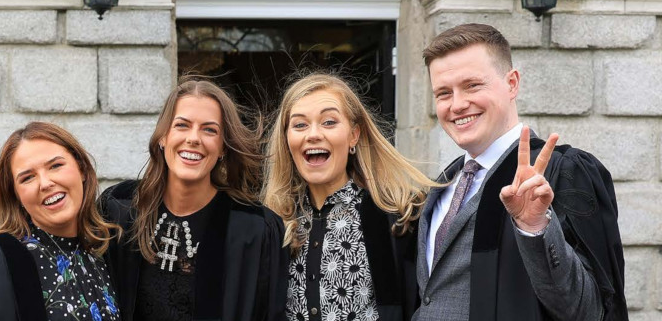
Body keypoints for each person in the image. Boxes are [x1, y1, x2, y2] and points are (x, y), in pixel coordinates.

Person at [415, 23, 626, 320]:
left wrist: (536, 227)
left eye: (472, 85)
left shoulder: (563, 171)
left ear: (512, 83)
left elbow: (588, 310)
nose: (458, 105)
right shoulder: (442, 186)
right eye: (443, 93)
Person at [100, 76, 287, 321]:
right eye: (182, 125)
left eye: (209, 130)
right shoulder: (119, 208)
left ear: (222, 147)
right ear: (163, 137)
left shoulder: (254, 229)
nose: (194, 138)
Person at [260, 73, 436, 321]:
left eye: (329, 122)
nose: (313, 134)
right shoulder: (274, 225)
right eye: (299, 125)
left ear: (354, 135)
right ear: (287, 140)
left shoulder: (400, 217)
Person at [0, 122, 121, 321]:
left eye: (56, 166)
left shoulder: (110, 254)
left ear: (82, 169)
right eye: (27, 178)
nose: (45, 183)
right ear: (16, 195)